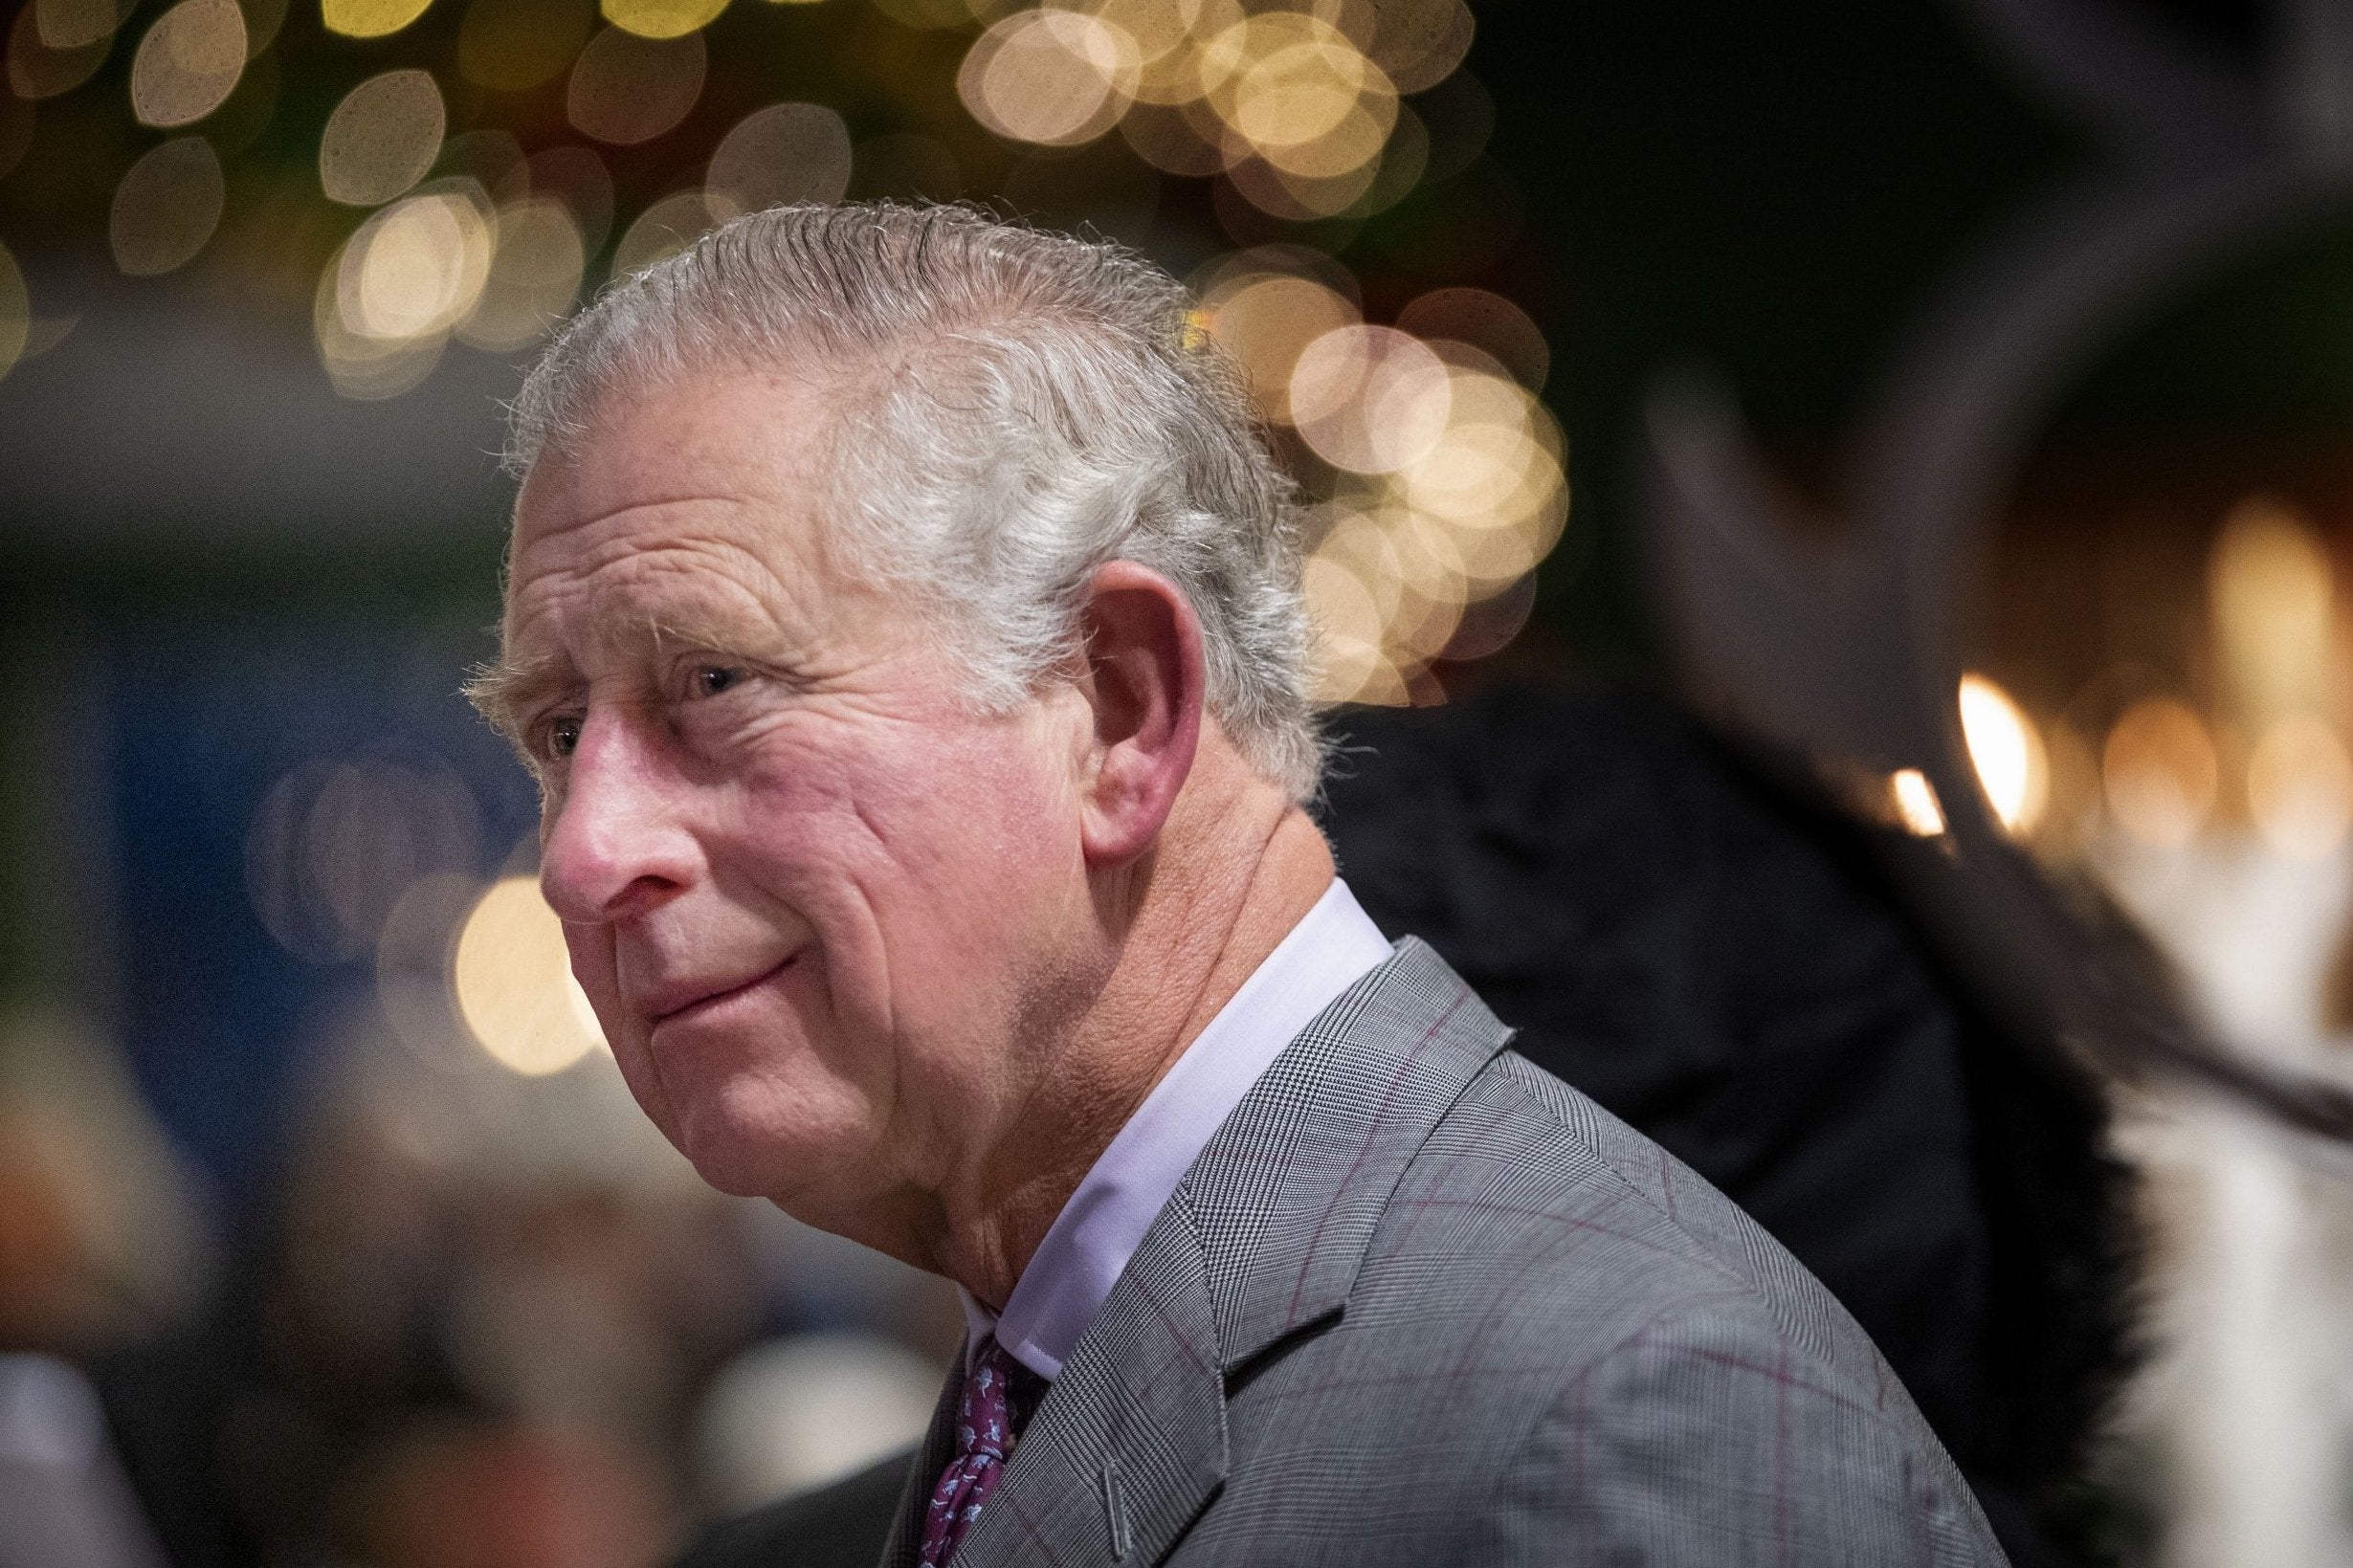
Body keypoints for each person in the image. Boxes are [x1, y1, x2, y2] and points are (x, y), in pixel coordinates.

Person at [469, 201, 2008, 1567]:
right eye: (556, 731)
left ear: (1121, 708)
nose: (585, 853)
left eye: (719, 682)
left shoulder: (1633, 1418)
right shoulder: (1061, 1351)